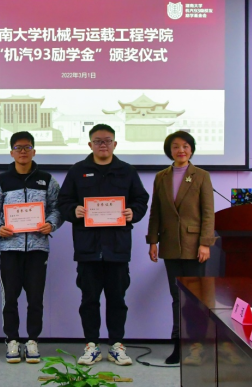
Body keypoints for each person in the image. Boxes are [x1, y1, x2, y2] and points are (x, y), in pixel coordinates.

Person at [58, 124, 149, 367]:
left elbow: (141, 199)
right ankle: (92, 345)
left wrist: (133, 212)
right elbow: (63, 201)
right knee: (89, 300)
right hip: (87, 248)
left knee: (117, 299)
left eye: (107, 140)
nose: (103, 145)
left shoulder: (127, 171)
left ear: (115, 144)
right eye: (98, 141)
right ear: (90, 144)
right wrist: (73, 210)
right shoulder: (78, 171)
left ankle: (117, 345)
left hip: (117, 248)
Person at [0, 131, 62, 364]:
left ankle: (32, 340)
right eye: (18, 148)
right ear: (11, 152)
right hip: (9, 249)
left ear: (34, 151)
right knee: (10, 297)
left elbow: (58, 208)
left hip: (38, 248)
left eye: (27, 147)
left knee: (35, 298)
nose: (23, 151)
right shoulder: (0, 181)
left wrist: (51, 224)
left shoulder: (47, 180)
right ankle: (12, 340)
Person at [146, 131, 215, 365]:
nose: (181, 150)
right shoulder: (161, 177)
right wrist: (153, 240)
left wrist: (205, 243)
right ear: (170, 151)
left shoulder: (202, 176)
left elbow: (208, 212)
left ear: (191, 149)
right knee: (176, 296)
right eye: (175, 146)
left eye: (185, 146)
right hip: (169, 245)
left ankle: (196, 346)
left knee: (194, 299)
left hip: (195, 247)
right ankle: (178, 344)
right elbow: (156, 211)